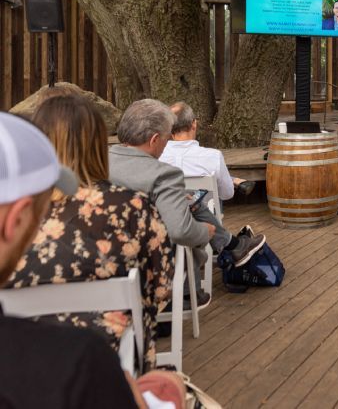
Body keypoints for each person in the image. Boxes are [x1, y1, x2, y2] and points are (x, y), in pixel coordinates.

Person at [0, 111, 186, 408]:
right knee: (169, 388)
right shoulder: (132, 206)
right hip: (109, 346)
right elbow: (161, 288)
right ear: (16, 220)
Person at [109, 100, 265, 271]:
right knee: (193, 204)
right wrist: (205, 231)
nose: (168, 141)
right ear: (154, 140)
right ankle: (201, 276)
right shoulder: (164, 173)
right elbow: (180, 231)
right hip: (149, 263)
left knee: (189, 199)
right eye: (166, 137)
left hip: (105, 247)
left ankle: (232, 245)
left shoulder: (99, 163)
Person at [160, 101, 255, 201]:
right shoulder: (213, 156)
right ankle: (234, 180)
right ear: (194, 124)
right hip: (203, 214)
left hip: (166, 214)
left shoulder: (156, 157)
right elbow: (227, 194)